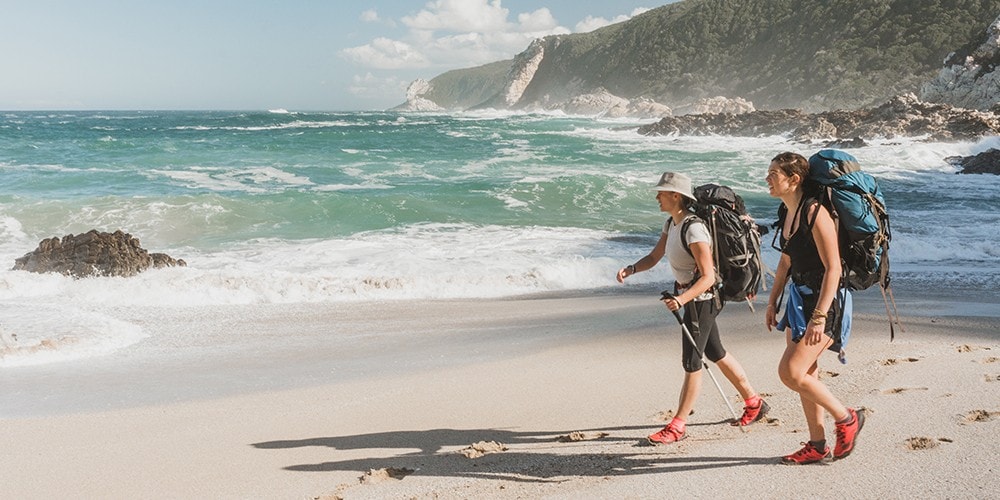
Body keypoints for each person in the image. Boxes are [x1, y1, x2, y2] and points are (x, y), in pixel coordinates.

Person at [617, 172, 769, 445]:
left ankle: (678, 425)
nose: (657, 197)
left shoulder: (694, 228)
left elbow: (708, 276)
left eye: (661, 193)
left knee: (692, 361)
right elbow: (655, 256)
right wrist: (631, 269)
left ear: (676, 196)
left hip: (702, 298)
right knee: (715, 351)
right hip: (690, 296)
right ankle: (754, 402)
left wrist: (682, 300)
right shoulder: (671, 223)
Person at [764, 152, 865, 464]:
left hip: (825, 301)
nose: (767, 179)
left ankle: (847, 418)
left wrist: (820, 317)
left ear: (793, 179)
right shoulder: (788, 210)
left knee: (790, 372)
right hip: (798, 301)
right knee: (807, 372)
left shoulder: (814, 211)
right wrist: (773, 299)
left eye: (773, 174)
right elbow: (786, 258)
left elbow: (833, 268)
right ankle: (817, 444)